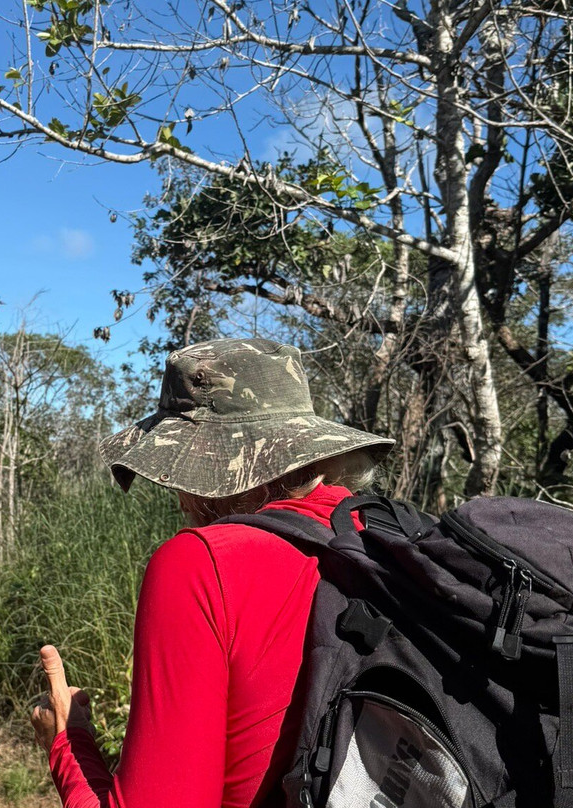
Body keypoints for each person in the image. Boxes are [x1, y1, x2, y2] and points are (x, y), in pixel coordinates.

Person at [30, 337, 394, 808]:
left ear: (209, 463)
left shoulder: (201, 565)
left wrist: (67, 742)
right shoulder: (386, 539)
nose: (178, 497)